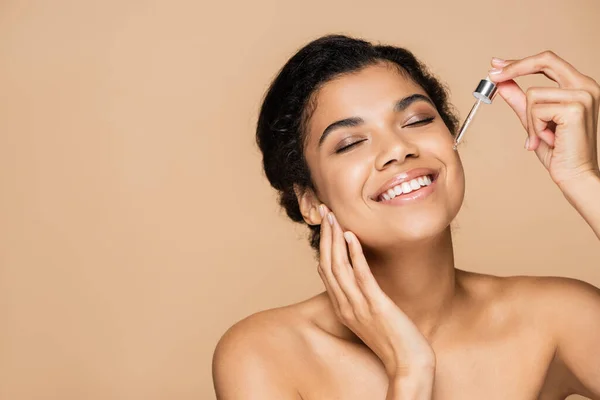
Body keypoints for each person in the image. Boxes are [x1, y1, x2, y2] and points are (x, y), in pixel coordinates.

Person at [212, 34, 600, 399]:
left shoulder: (558, 316)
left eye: (416, 121)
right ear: (310, 201)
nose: (398, 149)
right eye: (349, 143)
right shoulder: (264, 354)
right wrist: (410, 371)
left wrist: (583, 179)